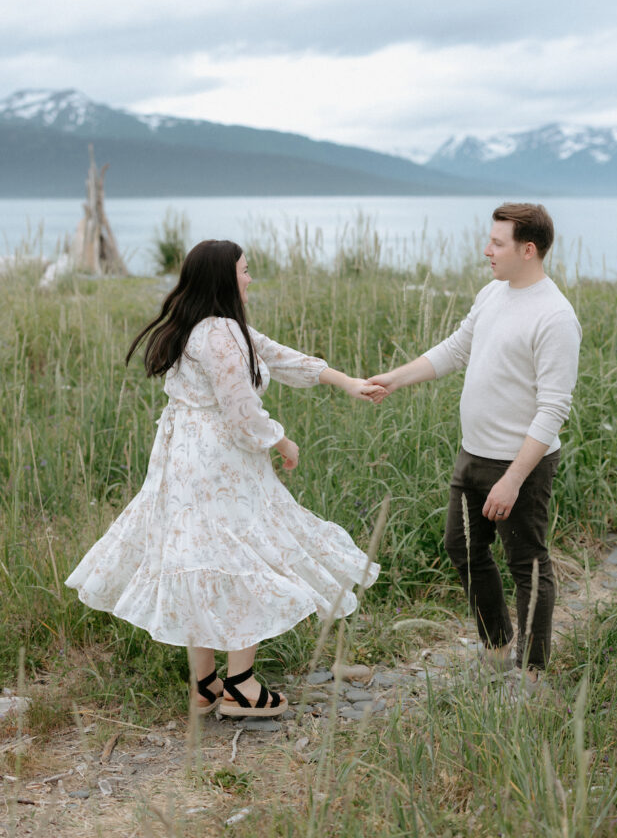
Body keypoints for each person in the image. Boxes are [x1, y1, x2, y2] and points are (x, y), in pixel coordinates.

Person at [66, 239, 382, 717]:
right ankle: (241, 686)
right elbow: (241, 411)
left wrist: (345, 381)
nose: (250, 278)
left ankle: (207, 683)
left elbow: (279, 355)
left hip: (183, 460)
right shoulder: (221, 334)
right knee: (245, 557)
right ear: (224, 278)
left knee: (200, 557)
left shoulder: (200, 326)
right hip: (219, 462)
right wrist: (282, 441)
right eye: (245, 270)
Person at [369, 204, 581, 682]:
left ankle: (533, 672)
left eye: (498, 243)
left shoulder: (555, 317)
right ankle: (496, 644)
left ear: (528, 250)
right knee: (462, 549)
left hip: (519, 466)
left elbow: (552, 410)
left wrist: (512, 480)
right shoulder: (492, 293)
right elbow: (456, 348)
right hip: (472, 455)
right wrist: (396, 379)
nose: (487, 250)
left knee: (527, 564)